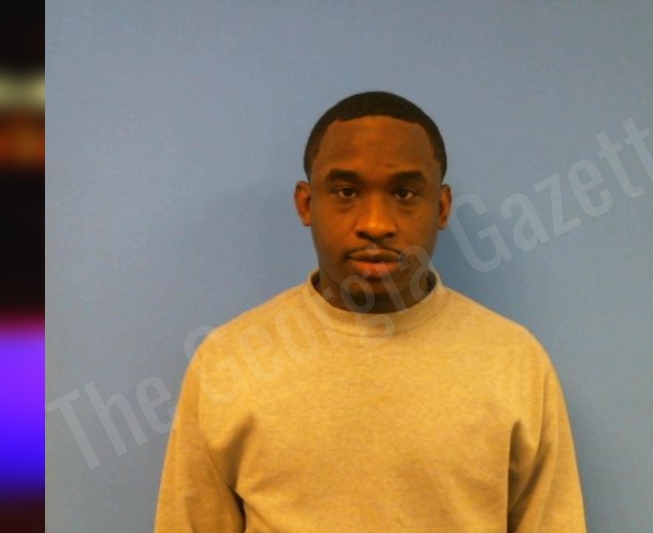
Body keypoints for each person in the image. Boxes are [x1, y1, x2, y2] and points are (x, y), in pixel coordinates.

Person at [154, 91, 586, 532]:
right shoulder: (229, 361)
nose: (376, 224)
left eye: (404, 193)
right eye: (346, 191)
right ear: (307, 204)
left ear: (441, 208)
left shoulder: (514, 361)